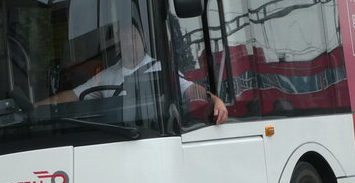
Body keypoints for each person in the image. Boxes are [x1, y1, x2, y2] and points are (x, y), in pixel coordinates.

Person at [42, 21, 229, 124]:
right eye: (123, 37)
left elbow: (189, 89)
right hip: (115, 138)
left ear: (143, 39)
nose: (129, 42)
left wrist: (214, 99)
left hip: (155, 136)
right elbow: (73, 95)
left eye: (133, 36)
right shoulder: (106, 76)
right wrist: (37, 107)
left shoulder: (160, 69)